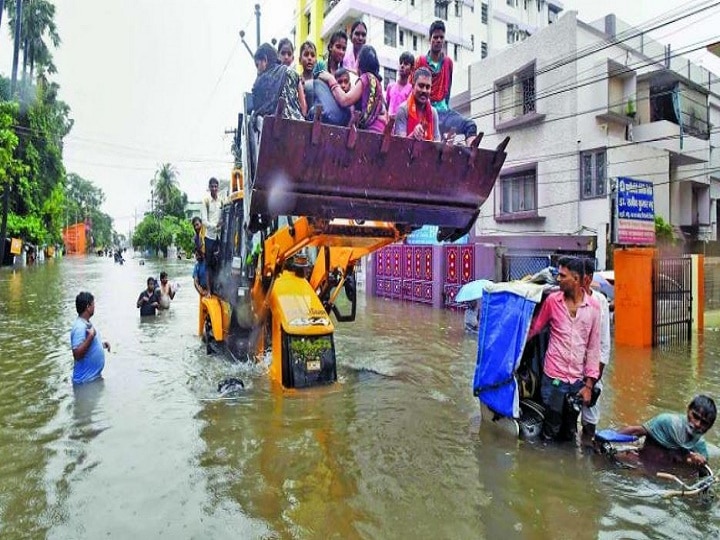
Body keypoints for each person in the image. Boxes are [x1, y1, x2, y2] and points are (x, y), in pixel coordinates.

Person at [527, 256, 601, 442]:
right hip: (553, 379)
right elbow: (534, 329)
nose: (558, 279)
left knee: (570, 433)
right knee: (550, 430)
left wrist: (589, 386)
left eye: (562, 275)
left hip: (577, 381)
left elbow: (593, 348)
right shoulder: (552, 301)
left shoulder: (593, 307)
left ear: (576, 279)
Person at [415, 20, 478, 144]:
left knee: (470, 125)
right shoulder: (420, 61)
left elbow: (447, 90)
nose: (438, 40)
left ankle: (473, 155)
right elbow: (414, 90)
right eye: (435, 37)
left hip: (445, 113)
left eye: (441, 37)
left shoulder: (448, 62)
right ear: (430, 39)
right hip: (427, 113)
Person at [619, 395, 716, 468]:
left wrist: (694, 461)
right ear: (688, 410)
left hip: (664, 477)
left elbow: (703, 471)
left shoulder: (699, 446)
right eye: (695, 416)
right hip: (639, 465)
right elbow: (634, 431)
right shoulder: (666, 422)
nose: (698, 424)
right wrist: (609, 439)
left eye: (704, 422)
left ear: (709, 426)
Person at [318, 45, 388, 133]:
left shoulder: (366, 78)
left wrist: (330, 79)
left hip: (369, 134)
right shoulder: (376, 82)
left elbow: (344, 100)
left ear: (359, 63)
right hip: (380, 132)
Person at [580, 259, 611, 442]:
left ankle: (587, 449)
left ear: (588, 278)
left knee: (590, 418)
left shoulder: (600, 301)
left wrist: (593, 380)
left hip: (593, 368)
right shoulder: (565, 298)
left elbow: (604, 344)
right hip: (570, 368)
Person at [252, 42, 306, 119]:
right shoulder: (293, 73)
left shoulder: (260, 81)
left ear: (265, 60)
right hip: (299, 124)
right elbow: (303, 108)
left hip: (274, 126)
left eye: (257, 65)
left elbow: (256, 107)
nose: (258, 70)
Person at [71, 291, 110, 385]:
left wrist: (102, 345)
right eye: (93, 304)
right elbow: (77, 354)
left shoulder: (85, 323)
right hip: (85, 383)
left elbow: (87, 346)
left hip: (93, 379)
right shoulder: (79, 327)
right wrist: (91, 337)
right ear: (88, 307)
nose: (94, 307)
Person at [393, 67, 441, 141]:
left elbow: (437, 144)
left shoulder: (433, 112)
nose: (424, 90)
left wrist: (446, 143)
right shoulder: (403, 110)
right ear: (413, 86)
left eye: (428, 87)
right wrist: (413, 135)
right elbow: (400, 146)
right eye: (421, 86)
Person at [201, 177, 224, 294]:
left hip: (220, 237)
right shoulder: (205, 202)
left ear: (218, 188)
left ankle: (218, 289)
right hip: (210, 237)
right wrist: (215, 226)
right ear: (209, 187)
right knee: (208, 265)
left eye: (216, 186)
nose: (214, 188)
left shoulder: (222, 201)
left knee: (221, 262)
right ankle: (209, 291)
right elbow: (204, 221)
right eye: (212, 186)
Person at [386, 51, 415, 117]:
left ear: (412, 69)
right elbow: (386, 107)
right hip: (389, 125)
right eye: (401, 63)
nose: (402, 66)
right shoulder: (390, 86)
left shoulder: (412, 90)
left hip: (402, 125)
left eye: (406, 64)